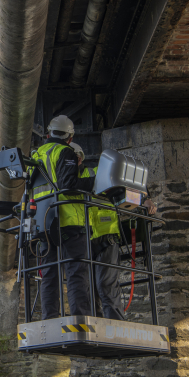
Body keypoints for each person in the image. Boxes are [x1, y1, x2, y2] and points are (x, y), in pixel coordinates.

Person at [70, 142, 157, 320]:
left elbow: (125, 187)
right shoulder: (65, 183)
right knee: (87, 290)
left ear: (79, 159)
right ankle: (96, 327)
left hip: (105, 237)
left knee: (106, 285)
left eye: (73, 159)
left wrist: (144, 199)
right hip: (82, 240)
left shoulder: (96, 174)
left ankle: (115, 325)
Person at [32, 115, 95, 319]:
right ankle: (80, 318)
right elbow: (68, 184)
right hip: (67, 221)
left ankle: (49, 317)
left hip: (43, 221)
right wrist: (92, 186)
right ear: (69, 137)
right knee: (76, 272)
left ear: (48, 133)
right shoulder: (64, 152)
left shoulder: (36, 155)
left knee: (49, 273)